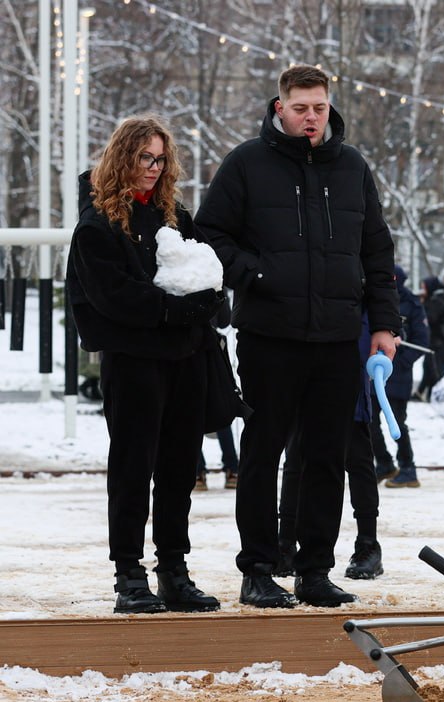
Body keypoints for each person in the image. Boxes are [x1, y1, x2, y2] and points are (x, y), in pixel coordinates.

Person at [195, 64, 402, 609]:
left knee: (325, 457)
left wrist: (384, 325)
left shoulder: (352, 167)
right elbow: (209, 234)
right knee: (262, 454)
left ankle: (314, 570)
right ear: (280, 107)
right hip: (270, 334)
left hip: (337, 337)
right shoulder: (247, 163)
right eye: (301, 107)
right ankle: (259, 569)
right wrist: (258, 274)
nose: (311, 117)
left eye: (319, 107)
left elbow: (377, 252)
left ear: (329, 105)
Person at [65, 115, 222, 614]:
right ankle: (129, 575)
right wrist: (176, 309)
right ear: (122, 158)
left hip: (186, 359)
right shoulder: (97, 223)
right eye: (143, 158)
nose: (152, 168)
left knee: (179, 469)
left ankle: (174, 570)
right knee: (133, 468)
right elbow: (114, 298)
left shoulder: (175, 215)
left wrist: (207, 303)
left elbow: (207, 272)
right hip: (134, 363)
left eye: (159, 159)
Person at [278, 315, 386, 582]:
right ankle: (285, 543)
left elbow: (380, 288)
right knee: (295, 457)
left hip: (350, 347)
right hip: (303, 344)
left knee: (358, 458)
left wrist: (386, 326)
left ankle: (368, 543)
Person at [372, 265, 430, 488]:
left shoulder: (411, 304)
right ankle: (384, 464)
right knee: (368, 422)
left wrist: (401, 362)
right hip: (374, 373)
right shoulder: (373, 298)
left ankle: (408, 468)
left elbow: (422, 341)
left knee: (397, 423)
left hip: (398, 375)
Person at [196, 293, 238, 492]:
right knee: (220, 411)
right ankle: (232, 468)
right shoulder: (212, 277)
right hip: (211, 349)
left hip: (186, 348)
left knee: (189, 416)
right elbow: (225, 320)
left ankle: (197, 472)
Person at [416, 275, 444, 401]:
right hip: (437, 340)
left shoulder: (436, 301)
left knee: (433, 369)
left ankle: (432, 395)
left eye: (424, 287)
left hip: (437, 341)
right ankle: (422, 392)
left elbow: (430, 319)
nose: (422, 290)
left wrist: (423, 306)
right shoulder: (439, 298)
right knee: (428, 367)